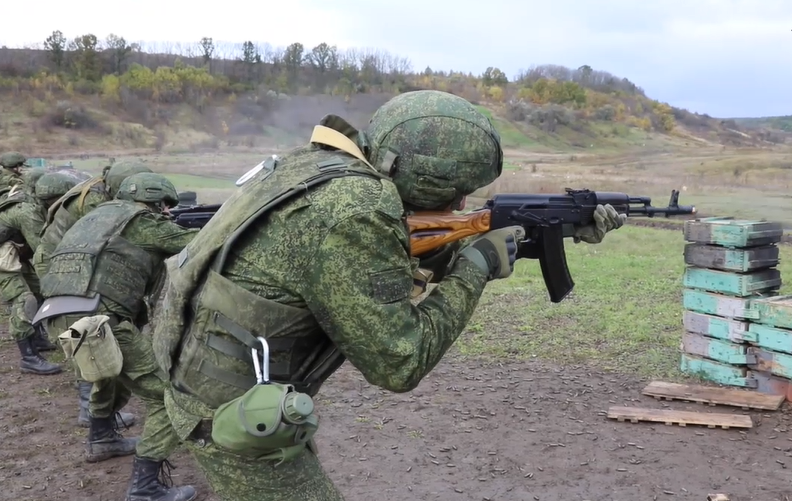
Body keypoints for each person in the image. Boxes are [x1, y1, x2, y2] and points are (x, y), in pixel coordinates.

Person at [150, 90, 627, 501]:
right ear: (427, 180)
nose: (463, 204)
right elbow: (400, 362)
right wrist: (475, 267)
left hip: (220, 379)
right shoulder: (355, 211)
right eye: (458, 192)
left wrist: (545, 234)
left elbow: (388, 256)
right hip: (232, 411)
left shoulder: (322, 166)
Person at [35, 172, 199, 501]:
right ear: (154, 202)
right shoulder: (142, 222)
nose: (167, 212)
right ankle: (145, 488)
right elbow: (199, 245)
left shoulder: (97, 216)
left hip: (57, 316)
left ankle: (102, 439)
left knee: (112, 373)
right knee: (170, 398)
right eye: (165, 206)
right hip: (96, 319)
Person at [33, 160, 152, 429]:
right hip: (60, 262)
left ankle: (95, 404)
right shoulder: (95, 201)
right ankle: (89, 407)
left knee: (88, 328)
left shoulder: (101, 191)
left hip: (68, 259)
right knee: (85, 329)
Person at [0, 172, 78, 375]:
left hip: (13, 253)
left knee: (39, 290)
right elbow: (42, 250)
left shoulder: (34, 204)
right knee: (24, 300)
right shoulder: (27, 211)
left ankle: (37, 338)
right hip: (5, 259)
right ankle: (29, 358)